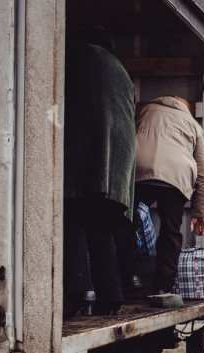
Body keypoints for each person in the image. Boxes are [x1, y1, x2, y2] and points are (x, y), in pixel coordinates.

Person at [63, 26, 136, 317]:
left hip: (88, 156)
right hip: (117, 164)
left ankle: (78, 292)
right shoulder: (121, 70)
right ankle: (111, 297)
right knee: (101, 227)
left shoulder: (80, 54)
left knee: (70, 220)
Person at [118, 95, 204, 295]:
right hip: (175, 175)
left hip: (139, 169)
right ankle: (164, 287)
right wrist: (198, 212)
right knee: (170, 231)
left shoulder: (144, 111)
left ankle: (127, 278)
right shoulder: (191, 123)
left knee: (125, 224)